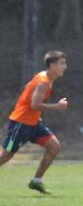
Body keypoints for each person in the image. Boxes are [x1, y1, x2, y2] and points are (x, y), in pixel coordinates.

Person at [0, 51, 68, 194]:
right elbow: (34, 105)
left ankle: (36, 181)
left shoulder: (45, 79)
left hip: (34, 124)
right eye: (62, 63)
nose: (65, 67)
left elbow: (28, 91)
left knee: (54, 147)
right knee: (6, 155)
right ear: (52, 65)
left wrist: (36, 116)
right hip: (20, 124)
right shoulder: (43, 82)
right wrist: (57, 106)